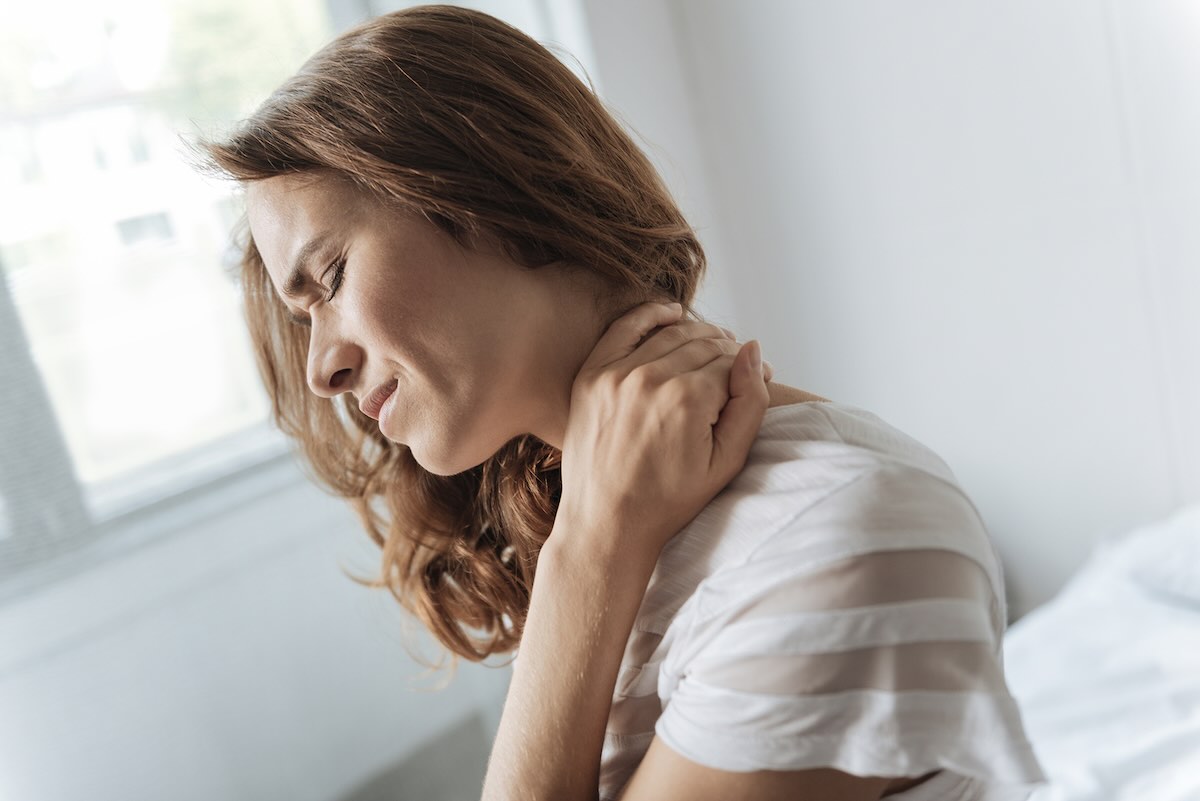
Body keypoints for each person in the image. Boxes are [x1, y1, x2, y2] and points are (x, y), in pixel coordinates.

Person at [199, 5, 1047, 800]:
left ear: (491, 190)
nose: (323, 370)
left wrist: (588, 555)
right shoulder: (609, 516)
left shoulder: (839, 536)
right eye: (303, 319)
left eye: (332, 277)